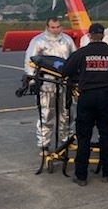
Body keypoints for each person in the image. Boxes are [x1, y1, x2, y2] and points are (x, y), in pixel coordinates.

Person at [61, 22, 108, 186]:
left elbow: (65, 70)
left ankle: (81, 175)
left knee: (83, 136)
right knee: (106, 135)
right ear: (103, 36)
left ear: (89, 35)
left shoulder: (81, 53)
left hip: (86, 98)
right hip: (105, 98)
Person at [24, 17, 77, 156]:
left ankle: (65, 143)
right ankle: (44, 145)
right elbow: (30, 61)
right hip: (47, 84)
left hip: (65, 84)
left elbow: (75, 58)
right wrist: (31, 80)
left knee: (66, 114)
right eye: (53, 27)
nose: (56, 30)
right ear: (47, 27)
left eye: (58, 27)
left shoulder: (67, 40)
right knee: (46, 114)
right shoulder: (38, 41)